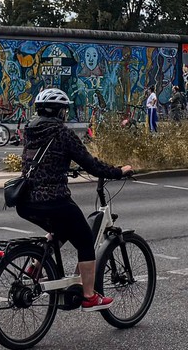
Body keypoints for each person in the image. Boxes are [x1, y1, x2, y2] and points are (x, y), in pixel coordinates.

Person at [14, 87, 133, 310]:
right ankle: (89, 296)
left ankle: (35, 266)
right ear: (59, 111)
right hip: (52, 200)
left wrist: (64, 167)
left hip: (25, 200)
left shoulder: (30, 130)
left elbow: (43, 161)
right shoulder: (62, 133)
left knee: (63, 229)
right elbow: (90, 164)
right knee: (85, 239)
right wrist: (118, 171)